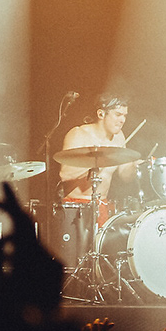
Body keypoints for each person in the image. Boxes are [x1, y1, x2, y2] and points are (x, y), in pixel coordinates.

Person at [55, 93, 132, 259]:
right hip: (76, 208)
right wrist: (96, 163)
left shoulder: (119, 137)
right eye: (118, 115)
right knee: (76, 262)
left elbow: (125, 175)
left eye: (125, 116)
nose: (122, 120)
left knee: (102, 262)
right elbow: (65, 174)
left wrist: (136, 165)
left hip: (103, 207)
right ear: (101, 114)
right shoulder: (79, 134)